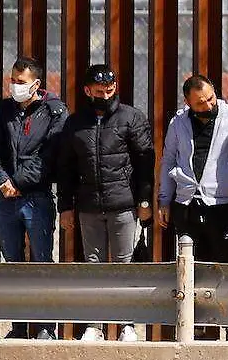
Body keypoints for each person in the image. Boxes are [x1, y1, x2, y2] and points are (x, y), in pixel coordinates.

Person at [58, 64, 154, 342]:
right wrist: (65, 206)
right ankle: (94, 325)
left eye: (110, 90)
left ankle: (127, 325)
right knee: (94, 265)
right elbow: (65, 167)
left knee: (125, 265)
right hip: (88, 206)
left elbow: (145, 162)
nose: (105, 95)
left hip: (123, 204)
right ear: (88, 91)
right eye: (99, 91)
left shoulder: (131, 118)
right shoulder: (75, 123)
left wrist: (145, 200)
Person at [158, 73, 228, 342]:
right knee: (190, 268)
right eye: (200, 103)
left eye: (210, 98)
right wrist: (164, 199)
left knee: (225, 268)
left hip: (222, 203)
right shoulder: (178, 122)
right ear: (188, 102)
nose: (208, 106)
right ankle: (194, 328)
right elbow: (168, 160)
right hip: (186, 202)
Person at [0, 56, 68, 340]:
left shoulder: (55, 112)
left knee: (41, 261)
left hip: (36, 198)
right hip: (5, 199)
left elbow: (49, 156)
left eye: (20, 82)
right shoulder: (5, 110)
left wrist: (17, 181)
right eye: (12, 80)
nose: (14, 86)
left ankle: (46, 326)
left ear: (36, 84)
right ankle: (19, 327)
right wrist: (1, 181)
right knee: (13, 263)